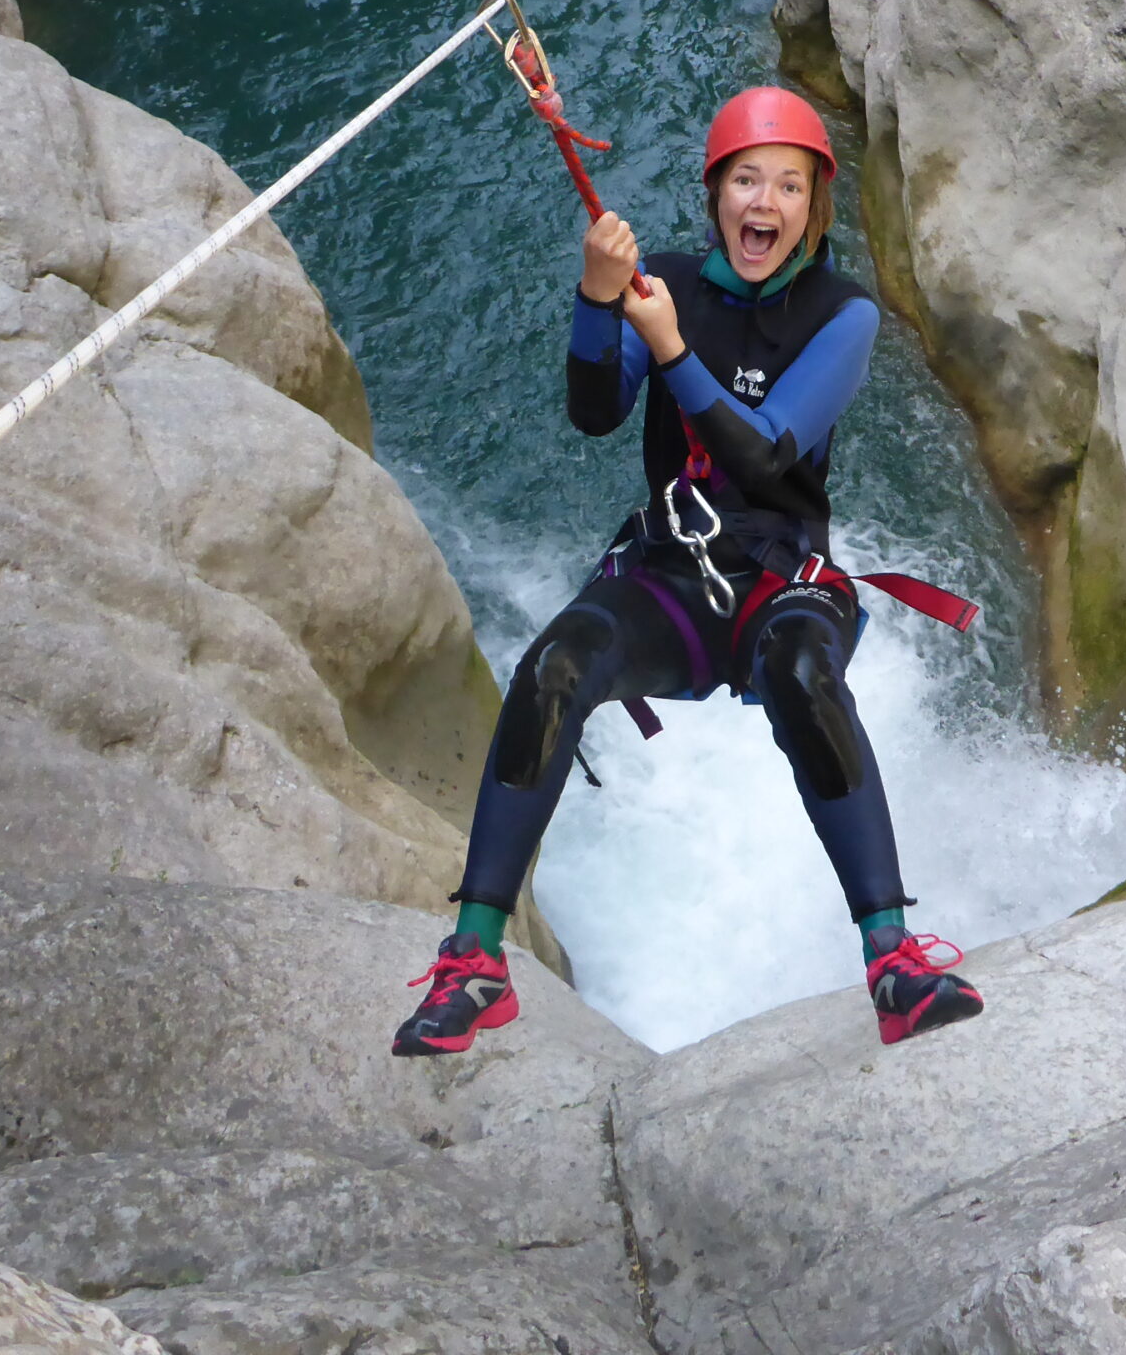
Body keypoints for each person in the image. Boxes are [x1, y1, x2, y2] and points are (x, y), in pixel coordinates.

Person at [393, 87, 985, 1056]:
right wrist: (597, 302)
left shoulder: (843, 315)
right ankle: (474, 960)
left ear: (813, 206)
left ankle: (893, 955)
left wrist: (668, 344)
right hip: (669, 572)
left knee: (803, 674)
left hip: (779, 579)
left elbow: (762, 456)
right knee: (554, 666)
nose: (766, 201)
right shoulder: (663, 282)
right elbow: (593, 413)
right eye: (746, 180)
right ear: (716, 195)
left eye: (787, 185)